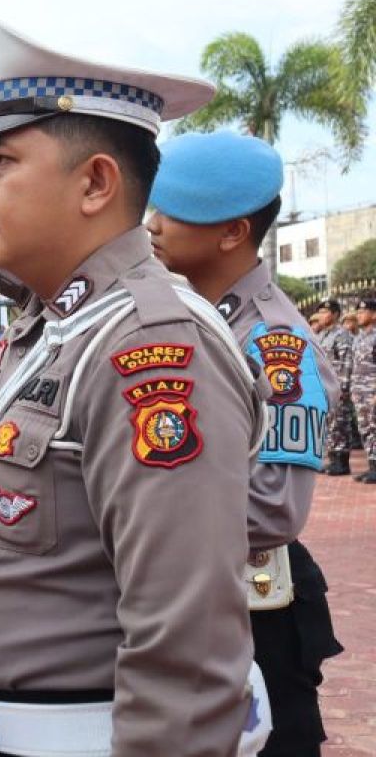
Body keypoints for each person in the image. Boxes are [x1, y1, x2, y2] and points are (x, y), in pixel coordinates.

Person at [0, 20, 270, 756]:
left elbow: (187, 649)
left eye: (3, 160)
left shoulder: (152, 349)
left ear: (96, 183)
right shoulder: (61, 323)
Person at [147, 130, 345, 757]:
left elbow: (275, 508)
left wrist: (141, 521)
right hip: (194, 603)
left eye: (171, 211)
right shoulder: (193, 315)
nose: (151, 224)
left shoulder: (275, 344)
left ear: (231, 232)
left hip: (255, 614)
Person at [314, 299, 355, 475]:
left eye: (325, 312)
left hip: (337, 386)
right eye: (320, 312)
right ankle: (332, 460)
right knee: (329, 424)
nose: (321, 316)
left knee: (340, 424)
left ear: (335, 314)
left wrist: (344, 387)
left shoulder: (342, 335)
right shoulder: (322, 335)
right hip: (323, 387)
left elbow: (347, 361)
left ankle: (342, 462)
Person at [351, 299, 376, 482]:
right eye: (358, 312)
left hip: (372, 391)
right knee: (365, 428)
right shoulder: (359, 337)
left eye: (363, 311)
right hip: (359, 391)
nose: (359, 315)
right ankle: (372, 465)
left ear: (374, 314)